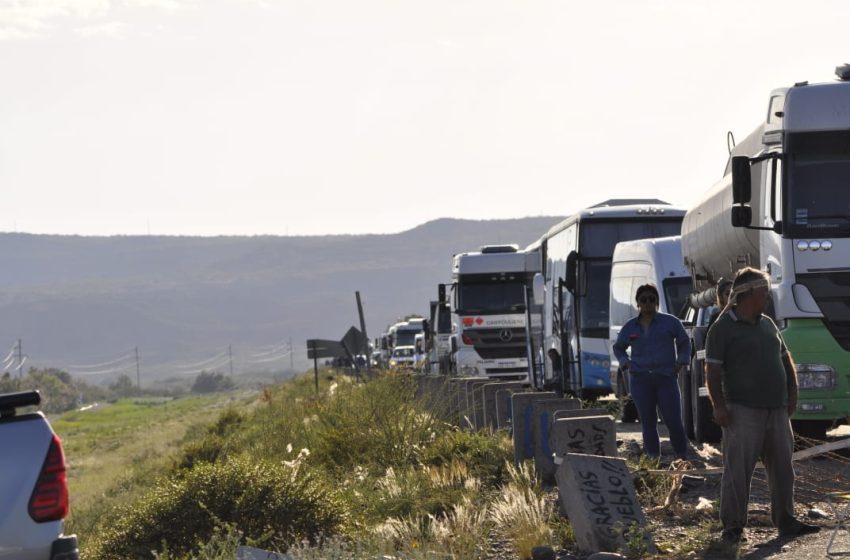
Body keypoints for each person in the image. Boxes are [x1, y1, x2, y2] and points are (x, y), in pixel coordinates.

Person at [704, 267, 820, 543]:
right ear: (748, 293)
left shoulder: (767, 323)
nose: (768, 296)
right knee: (738, 471)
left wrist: (792, 394)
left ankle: (786, 520)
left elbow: (785, 359)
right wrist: (719, 406)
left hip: (776, 410)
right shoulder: (722, 329)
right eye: (764, 291)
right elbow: (712, 372)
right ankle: (732, 527)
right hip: (742, 410)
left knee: (783, 468)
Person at [613, 284, 691, 460]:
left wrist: (680, 362)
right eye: (643, 300)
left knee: (673, 420)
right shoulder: (630, 327)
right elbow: (618, 348)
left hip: (666, 378)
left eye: (652, 299)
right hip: (640, 381)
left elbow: (684, 342)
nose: (648, 303)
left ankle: (682, 457)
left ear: (657, 302)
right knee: (648, 423)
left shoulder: (670, 322)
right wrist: (626, 363)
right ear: (638, 304)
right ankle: (653, 459)